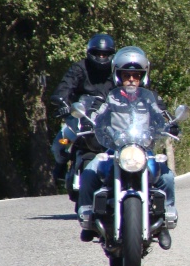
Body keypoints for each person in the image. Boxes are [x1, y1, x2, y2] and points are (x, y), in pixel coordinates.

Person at [77, 46, 179, 250]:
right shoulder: (109, 98)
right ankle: (88, 217)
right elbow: (96, 113)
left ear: (143, 77)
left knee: (166, 176)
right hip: (114, 150)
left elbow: (163, 114)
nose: (132, 79)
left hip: (143, 150)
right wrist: (88, 121)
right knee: (88, 172)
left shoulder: (150, 98)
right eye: (127, 75)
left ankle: (165, 221)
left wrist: (172, 123)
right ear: (118, 75)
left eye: (136, 75)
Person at [49, 33, 116, 182]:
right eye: (97, 53)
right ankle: (60, 165)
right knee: (61, 144)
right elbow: (65, 85)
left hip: (108, 119)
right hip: (79, 116)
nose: (101, 57)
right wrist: (62, 102)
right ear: (90, 53)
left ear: (112, 54)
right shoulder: (79, 68)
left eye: (105, 54)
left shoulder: (116, 71)